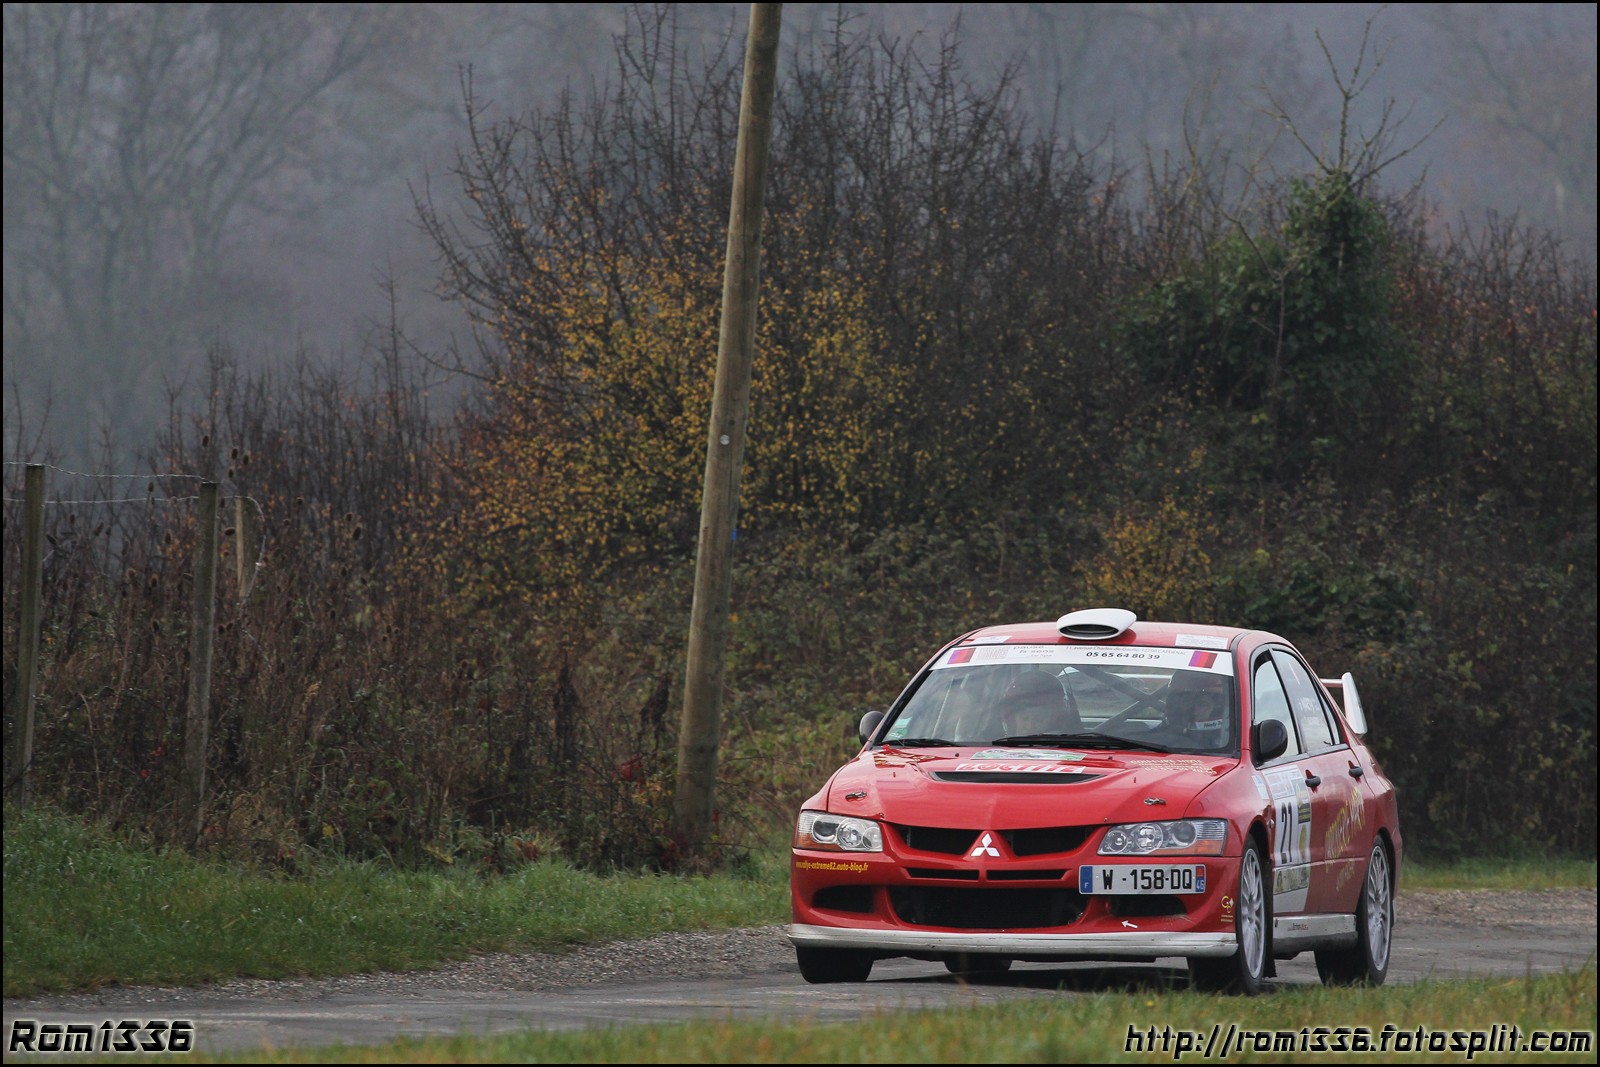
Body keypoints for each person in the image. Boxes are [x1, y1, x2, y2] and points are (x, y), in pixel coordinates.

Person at [997, 670, 1079, 737]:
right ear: (1012, 720)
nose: (1030, 726)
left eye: (1038, 720)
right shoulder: (996, 747)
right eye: (1024, 718)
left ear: (1052, 721)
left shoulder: (1065, 748)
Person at [1162, 672, 1232, 748]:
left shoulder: (1228, 741)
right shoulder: (1159, 738)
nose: (1193, 708)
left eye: (1201, 704)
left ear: (1217, 707)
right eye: (1188, 701)